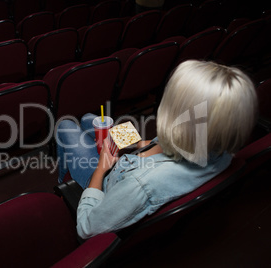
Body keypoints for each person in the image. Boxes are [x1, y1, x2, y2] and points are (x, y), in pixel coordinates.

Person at [55, 60, 258, 239]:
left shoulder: (142, 185)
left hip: (105, 181)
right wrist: (136, 142)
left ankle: (67, 183)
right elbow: (163, 144)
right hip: (131, 161)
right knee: (89, 119)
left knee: (66, 126)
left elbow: (87, 228)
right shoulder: (218, 147)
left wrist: (100, 169)